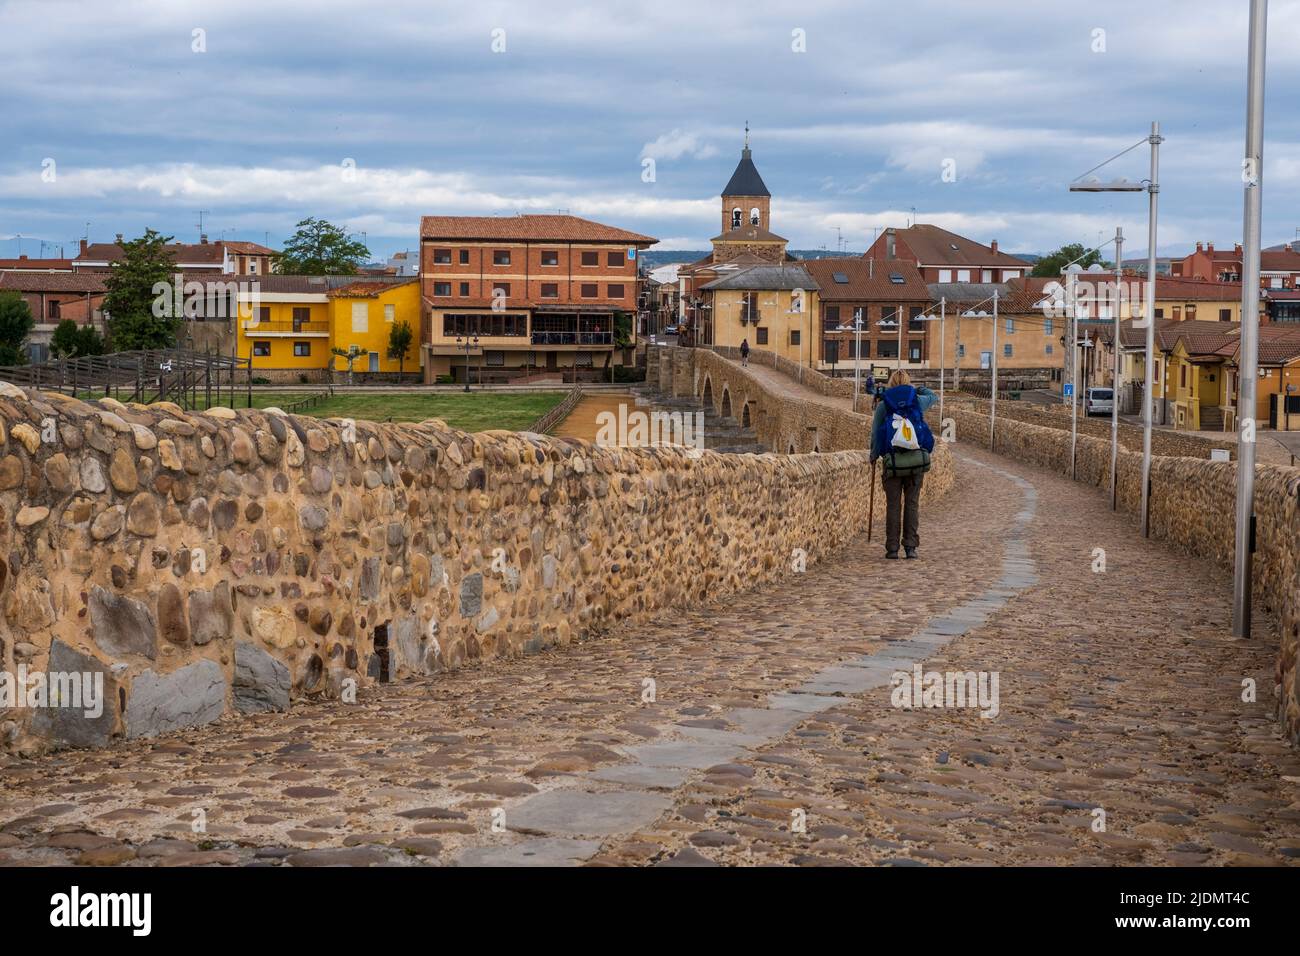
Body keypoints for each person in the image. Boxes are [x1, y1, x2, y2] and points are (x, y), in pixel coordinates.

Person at [869, 370, 936, 559]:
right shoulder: (917, 401)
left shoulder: (884, 405)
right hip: (915, 461)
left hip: (893, 462)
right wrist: (919, 388)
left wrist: (873, 455)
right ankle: (910, 547)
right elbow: (933, 396)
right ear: (908, 383)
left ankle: (892, 548)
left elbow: (875, 433)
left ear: (890, 384)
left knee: (893, 505)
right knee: (912, 504)